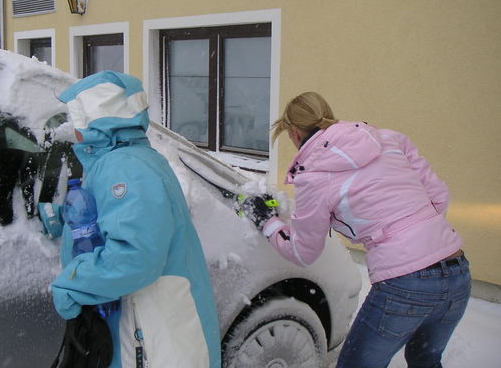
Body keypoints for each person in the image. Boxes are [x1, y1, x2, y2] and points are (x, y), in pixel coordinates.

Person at [244, 91, 470, 368]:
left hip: (406, 283)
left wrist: (267, 221)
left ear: (293, 132)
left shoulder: (313, 175)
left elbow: (303, 252)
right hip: (457, 270)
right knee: (425, 359)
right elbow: (439, 197)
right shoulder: (389, 139)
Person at [50, 71, 221, 368]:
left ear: (93, 122)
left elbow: (136, 255)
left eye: (75, 118)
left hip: (155, 334)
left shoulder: (125, 168)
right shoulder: (123, 159)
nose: (72, 127)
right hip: (147, 325)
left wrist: (73, 284)